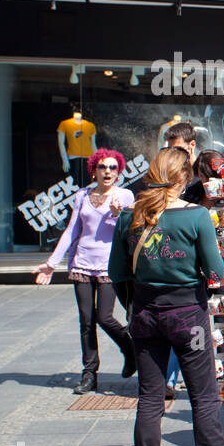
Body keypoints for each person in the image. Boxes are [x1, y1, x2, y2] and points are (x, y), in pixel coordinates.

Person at [108, 147, 224, 446]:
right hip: (187, 317)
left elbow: (117, 274)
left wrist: (135, 303)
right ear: (183, 178)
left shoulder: (129, 216)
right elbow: (215, 272)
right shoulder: (196, 217)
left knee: (149, 400)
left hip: (145, 314)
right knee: (204, 399)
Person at [35, 148, 136, 394]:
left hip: (109, 265)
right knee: (86, 320)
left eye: (113, 167)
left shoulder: (125, 196)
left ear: (119, 171)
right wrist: (51, 263)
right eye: (102, 167)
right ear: (94, 170)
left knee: (104, 317)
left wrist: (116, 214)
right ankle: (89, 373)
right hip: (81, 263)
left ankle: (129, 348)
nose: (108, 171)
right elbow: (71, 231)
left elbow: (132, 229)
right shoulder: (82, 195)